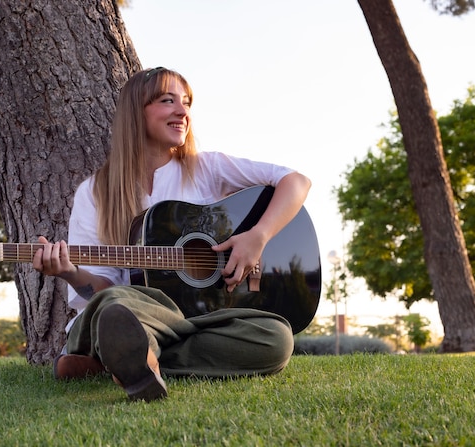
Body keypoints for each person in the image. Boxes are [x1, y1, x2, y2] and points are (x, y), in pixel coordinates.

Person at [32, 67, 311, 402]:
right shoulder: (95, 192)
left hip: (201, 318)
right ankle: (127, 349)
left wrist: (258, 237)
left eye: (186, 103)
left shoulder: (207, 168)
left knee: (277, 339)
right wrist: (69, 272)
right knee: (115, 303)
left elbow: (296, 182)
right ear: (137, 112)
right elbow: (101, 290)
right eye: (168, 101)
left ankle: (121, 359)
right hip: (130, 311)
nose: (183, 111)